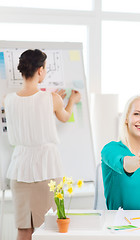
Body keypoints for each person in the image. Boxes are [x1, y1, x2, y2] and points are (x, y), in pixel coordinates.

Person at [4, 49, 81, 240]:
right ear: (40, 70)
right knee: (49, 229)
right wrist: (71, 101)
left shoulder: (8, 100)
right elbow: (65, 117)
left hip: (19, 171)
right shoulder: (51, 99)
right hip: (47, 169)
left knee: (23, 229)